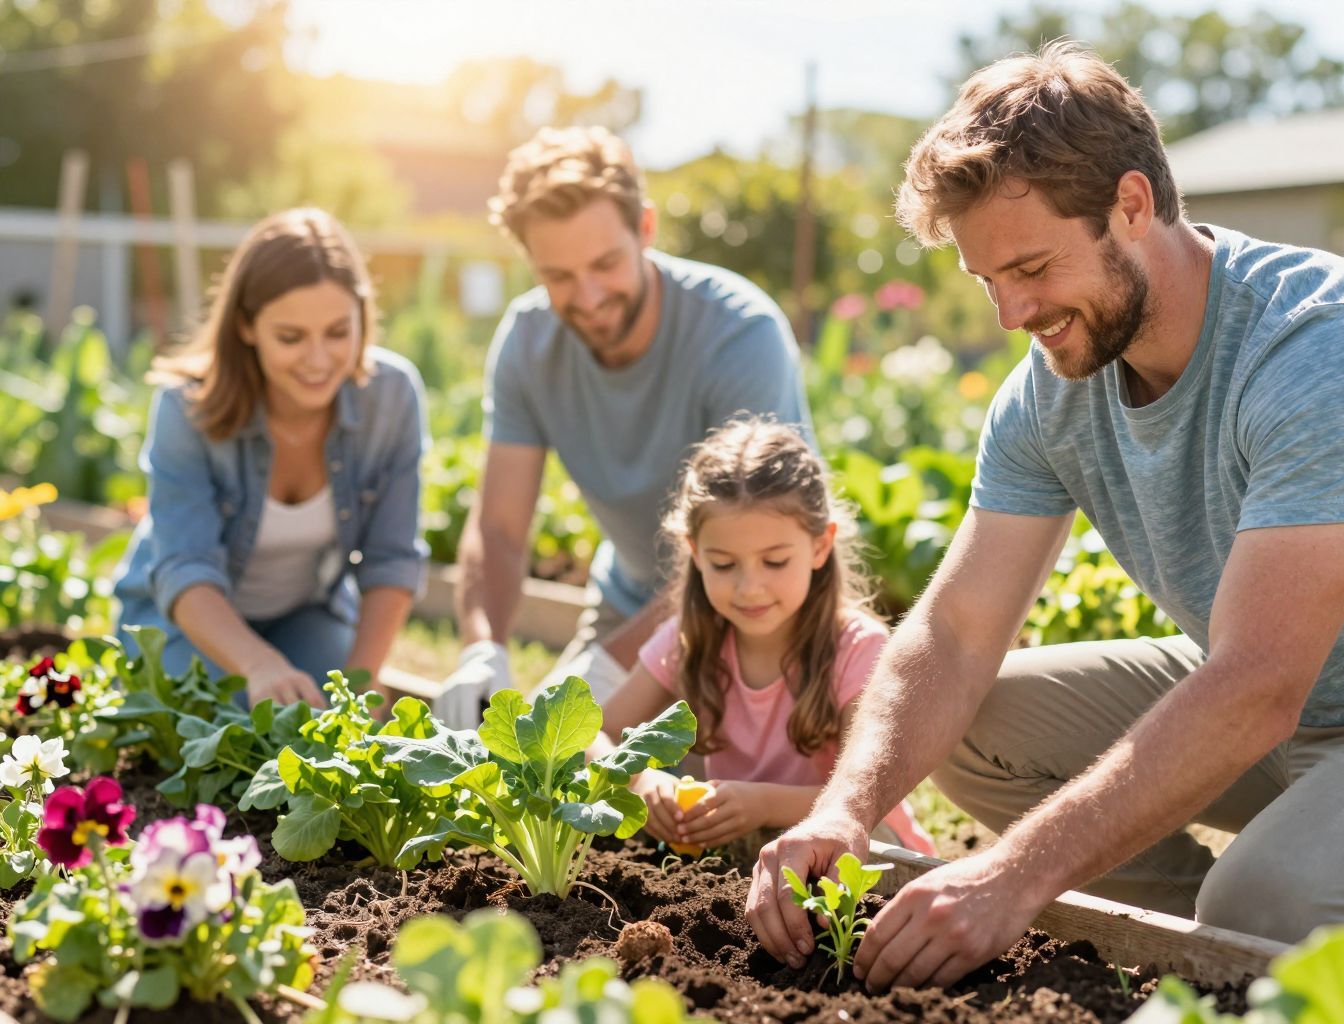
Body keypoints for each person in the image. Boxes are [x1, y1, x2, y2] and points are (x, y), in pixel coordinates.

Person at [747, 42, 1344, 992]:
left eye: (1032, 266)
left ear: (1132, 204)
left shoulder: (1326, 346)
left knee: (1269, 915)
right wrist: (846, 809)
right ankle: (1189, 959)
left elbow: (1258, 681)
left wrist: (1011, 877)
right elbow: (955, 633)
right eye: (987, 279)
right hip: (1275, 705)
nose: (1011, 314)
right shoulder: (1051, 389)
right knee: (970, 724)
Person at [437, 126, 812, 727]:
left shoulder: (739, 335)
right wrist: (483, 646)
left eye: (606, 264)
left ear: (645, 228)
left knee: (672, 787)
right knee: (546, 779)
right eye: (557, 276)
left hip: (753, 609)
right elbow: (500, 527)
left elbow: (749, 544)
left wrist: (601, 680)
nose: (586, 296)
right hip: (632, 602)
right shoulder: (530, 342)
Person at [114, 208, 429, 708]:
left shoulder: (391, 397)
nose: (319, 360)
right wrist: (260, 665)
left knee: (333, 725)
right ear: (246, 326)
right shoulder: (186, 407)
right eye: (291, 338)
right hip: (185, 623)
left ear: (362, 317)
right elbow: (184, 567)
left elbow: (391, 558)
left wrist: (364, 681)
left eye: (337, 332)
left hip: (304, 616)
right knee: (238, 731)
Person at [591, 418, 934, 855]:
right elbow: (592, 734)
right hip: (751, 855)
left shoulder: (857, 648)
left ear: (820, 546)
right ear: (695, 553)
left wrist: (765, 804)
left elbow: (872, 794)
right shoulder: (691, 638)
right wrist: (639, 779)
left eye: (774, 562)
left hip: (867, 856)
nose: (749, 587)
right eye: (723, 564)